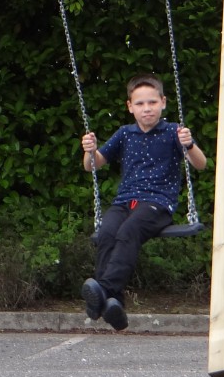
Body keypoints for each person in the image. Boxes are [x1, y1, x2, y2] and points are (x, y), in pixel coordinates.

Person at [79, 73, 208, 331]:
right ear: (130, 107)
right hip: (126, 201)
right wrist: (89, 150)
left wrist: (190, 144)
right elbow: (92, 166)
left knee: (128, 231)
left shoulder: (174, 132)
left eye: (152, 102)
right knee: (106, 232)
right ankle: (114, 302)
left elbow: (201, 165)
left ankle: (104, 290)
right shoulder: (125, 134)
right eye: (139, 104)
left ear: (163, 102)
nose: (146, 108)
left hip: (158, 204)